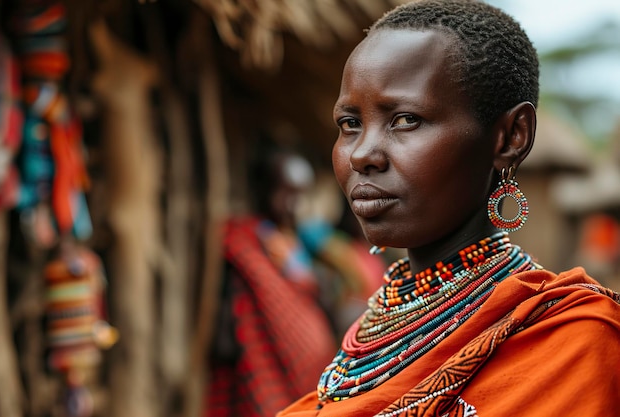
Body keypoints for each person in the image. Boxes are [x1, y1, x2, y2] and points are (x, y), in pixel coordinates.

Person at [277, 1, 620, 416]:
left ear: (511, 137)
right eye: (350, 123)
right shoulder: (366, 343)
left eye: (405, 120)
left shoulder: (572, 345)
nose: (362, 154)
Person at [206, 143, 337, 417]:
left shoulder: (291, 242)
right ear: (262, 189)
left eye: (300, 196)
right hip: (262, 364)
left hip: (308, 375)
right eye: (285, 193)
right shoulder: (242, 240)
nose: (293, 205)